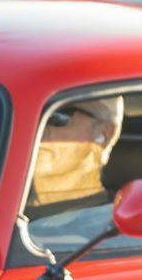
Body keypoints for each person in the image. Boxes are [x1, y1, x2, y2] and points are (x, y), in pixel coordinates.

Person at [21, 88, 126, 260]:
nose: (37, 128)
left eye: (57, 115)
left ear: (104, 134)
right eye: (30, 115)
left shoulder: (114, 229)